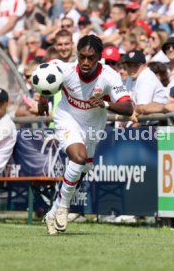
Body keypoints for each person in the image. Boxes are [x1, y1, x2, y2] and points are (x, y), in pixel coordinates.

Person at [44, 35, 134, 235]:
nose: (85, 62)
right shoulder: (66, 70)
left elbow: (128, 107)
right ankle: (63, 208)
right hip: (67, 118)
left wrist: (105, 103)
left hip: (93, 126)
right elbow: (45, 74)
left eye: (91, 58)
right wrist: (43, 98)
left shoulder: (109, 76)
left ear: (99, 57)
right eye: (82, 56)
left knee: (82, 168)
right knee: (78, 157)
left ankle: (52, 213)